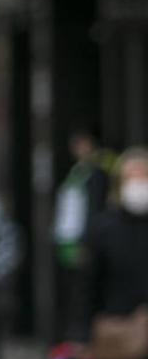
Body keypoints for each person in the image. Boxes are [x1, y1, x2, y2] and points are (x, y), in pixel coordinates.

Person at [77, 148, 148, 359]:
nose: (139, 184)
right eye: (133, 177)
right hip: (121, 337)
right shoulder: (105, 228)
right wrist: (81, 335)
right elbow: (88, 284)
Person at [54, 128, 112, 338]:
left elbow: (94, 209)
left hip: (83, 241)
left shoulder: (96, 174)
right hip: (69, 241)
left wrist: (88, 241)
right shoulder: (77, 171)